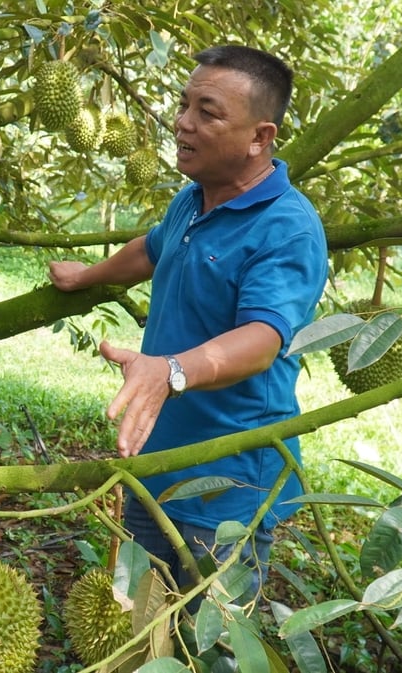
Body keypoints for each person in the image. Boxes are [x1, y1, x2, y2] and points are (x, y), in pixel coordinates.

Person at [48, 45, 328, 602]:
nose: (183, 122)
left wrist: (169, 370)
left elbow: (262, 341)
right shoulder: (193, 200)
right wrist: (88, 277)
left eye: (208, 111)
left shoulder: (288, 228)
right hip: (155, 465)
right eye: (184, 105)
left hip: (228, 488)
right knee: (138, 627)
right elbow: (152, 251)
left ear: (260, 137)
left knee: (211, 643)